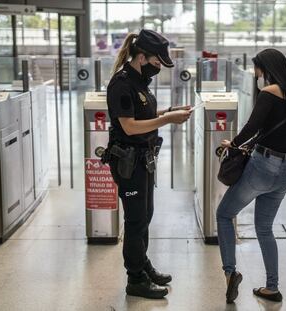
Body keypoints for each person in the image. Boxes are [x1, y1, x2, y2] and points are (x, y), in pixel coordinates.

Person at [216, 48, 286, 304]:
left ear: (265, 69)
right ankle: (271, 287)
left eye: (257, 69)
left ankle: (230, 273)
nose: (256, 75)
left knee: (224, 214)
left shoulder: (269, 93)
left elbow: (252, 126)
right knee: (265, 228)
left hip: (264, 167)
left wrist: (232, 143)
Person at [105, 29, 191, 299]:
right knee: (135, 221)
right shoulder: (121, 84)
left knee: (146, 216)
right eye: (156, 63)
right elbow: (129, 127)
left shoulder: (140, 81)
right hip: (128, 162)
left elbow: (144, 113)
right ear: (141, 57)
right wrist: (168, 121)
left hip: (144, 160)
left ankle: (142, 265)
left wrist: (169, 111)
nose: (158, 68)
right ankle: (135, 279)